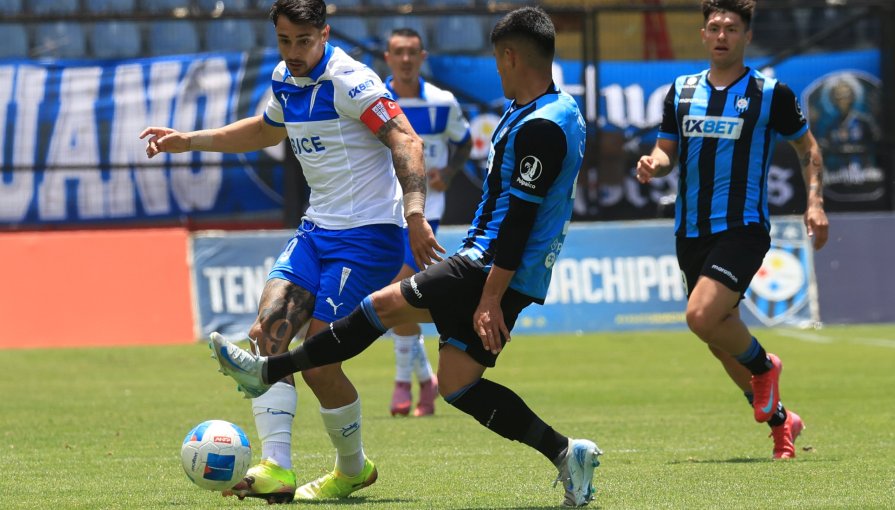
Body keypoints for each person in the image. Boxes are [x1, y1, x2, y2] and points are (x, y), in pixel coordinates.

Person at [210, 7, 603, 507]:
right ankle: (568, 453)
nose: (496, 70)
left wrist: (490, 298)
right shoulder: (538, 110)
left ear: (509, 56)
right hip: (498, 268)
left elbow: (521, 220)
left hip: (489, 265)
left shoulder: (545, 125)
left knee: (383, 307)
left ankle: (266, 371)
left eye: (497, 61)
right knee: (458, 385)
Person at [141, 0, 442, 503]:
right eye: (285, 40)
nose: (295, 51)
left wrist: (414, 215)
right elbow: (265, 129)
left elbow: (407, 142)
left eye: (304, 41)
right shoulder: (286, 76)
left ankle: (352, 469)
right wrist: (188, 141)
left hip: (368, 236)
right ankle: (276, 466)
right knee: (266, 335)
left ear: (324, 33)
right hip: (316, 229)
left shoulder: (351, 81)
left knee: (320, 364)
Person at [635, 0, 829, 459]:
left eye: (731, 28)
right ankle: (784, 423)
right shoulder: (680, 92)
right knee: (720, 340)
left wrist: (816, 202)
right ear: (703, 34)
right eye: (715, 27)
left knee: (701, 317)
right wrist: (653, 164)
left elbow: (808, 149)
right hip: (691, 232)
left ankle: (766, 367)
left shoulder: (770, 92)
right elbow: (666, 153)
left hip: (742, 228)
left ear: (746, 37)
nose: (722, 34)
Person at [382, 27, 473, 417]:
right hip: (382, 212)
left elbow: (465, 141)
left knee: (396, 294)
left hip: (425, 213)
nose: (405, 59)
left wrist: (449, 173)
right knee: (398, 301)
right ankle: (426, 382)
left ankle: (404, 384)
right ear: (387, 57)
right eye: (398, 52)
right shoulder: (376, 101)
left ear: (423, 56)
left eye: (412, 52)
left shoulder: (442, 102)